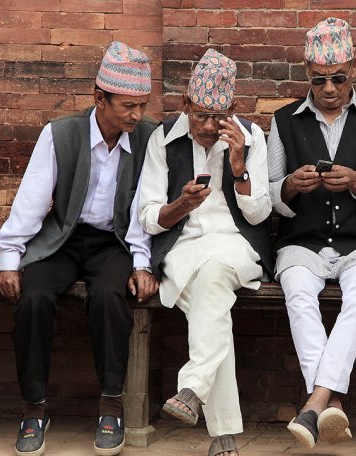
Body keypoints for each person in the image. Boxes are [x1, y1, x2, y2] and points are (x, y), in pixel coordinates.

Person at [0, 41, 159, 456]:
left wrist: (142, 263)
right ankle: (34, 408)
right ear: (99, 99)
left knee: (109, 296)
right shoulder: (61, 134)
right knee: (32, 298)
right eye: (127, 106)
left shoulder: (147, 138)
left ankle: (110, 404)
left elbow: (144, 207)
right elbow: (32, 200)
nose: (136, 115)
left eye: (141, 105)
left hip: (114, 240)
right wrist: (10, 259)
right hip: (63, 237)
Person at [267, 17, 356, 449]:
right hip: (302, 242)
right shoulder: (284, 120)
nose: (329, 89)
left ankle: (314, 402)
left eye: (338, 79)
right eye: (319, 79)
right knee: (298, 293)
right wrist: (291, 185)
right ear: (307, 74)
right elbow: (269, 195)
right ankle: (333, 403)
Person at [137, 48, 273, 456]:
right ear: (186, 105)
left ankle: (194, 388)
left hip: (236, 246)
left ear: (231, 109)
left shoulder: (250, 138)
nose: (210, 127)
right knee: (211, 312)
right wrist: (180, 205)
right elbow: (146, 216)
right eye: (201, 116)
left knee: (214, 276)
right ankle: (222, 435)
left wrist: (238, 167)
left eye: (219, 117)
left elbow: (260, 213)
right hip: (182, 249)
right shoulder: (163, 138)